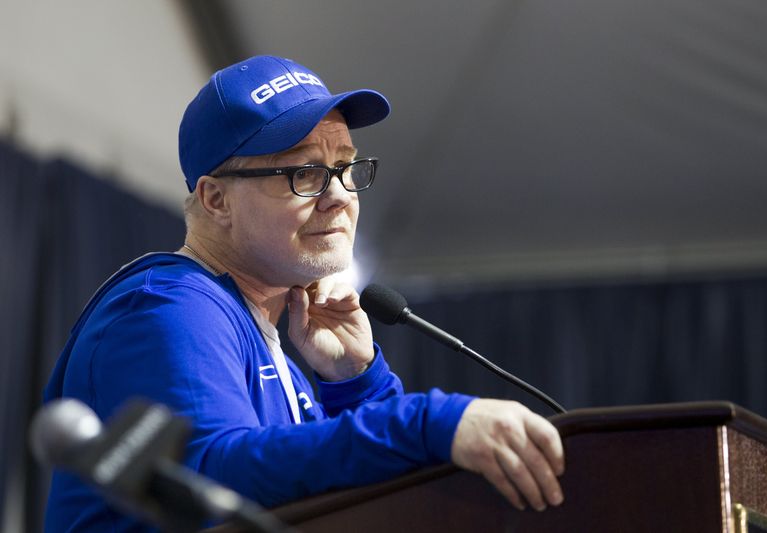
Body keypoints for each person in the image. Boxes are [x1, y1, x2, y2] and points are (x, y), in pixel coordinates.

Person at [43, 55, 565, 532]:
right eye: (305, 173)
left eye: (345, 167)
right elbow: (213, 472)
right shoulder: (169, 306)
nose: (339, 196)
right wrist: (431, 422)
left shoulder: (272, 343)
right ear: (217, 199)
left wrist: (356, 382)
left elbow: (372, 501)